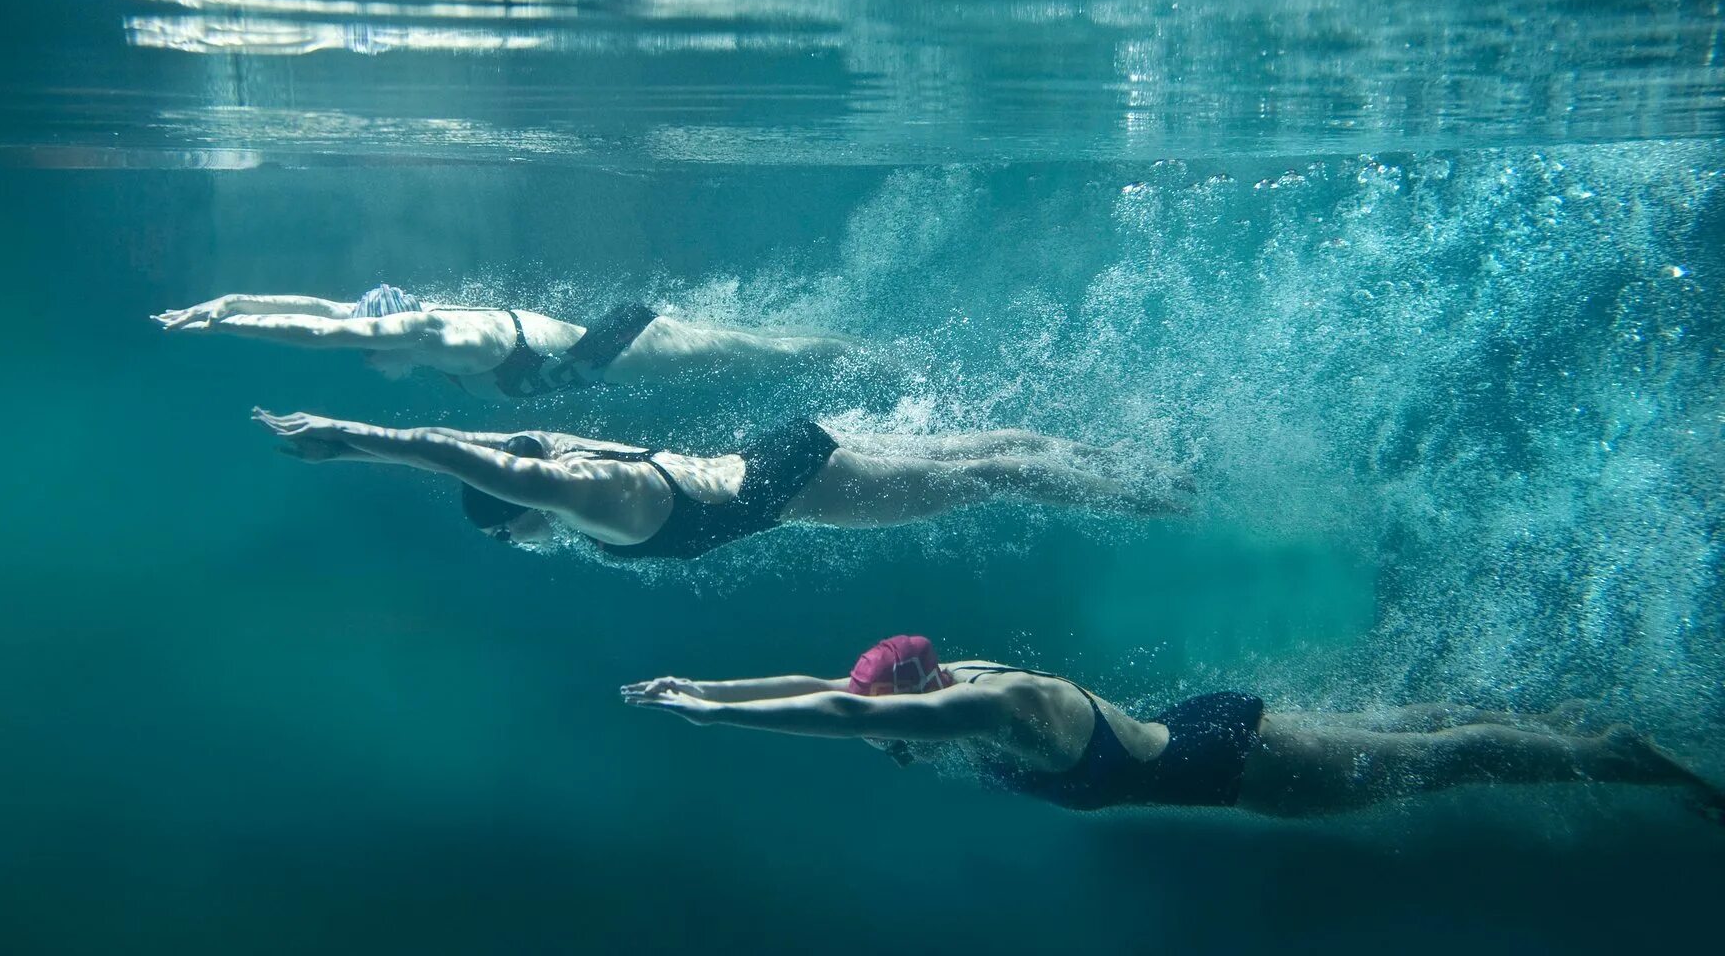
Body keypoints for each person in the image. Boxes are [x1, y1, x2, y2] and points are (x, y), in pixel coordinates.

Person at [622, 636, 1725, 818]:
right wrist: (711, 692)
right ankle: (1569, 730)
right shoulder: (946, 678)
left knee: (1444, 766)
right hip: (1200, 731)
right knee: (1416, 731)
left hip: (1226, 762)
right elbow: (838, 690)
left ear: (920, 698)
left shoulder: (993, 705)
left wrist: (717, 722)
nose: (892, 737)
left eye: (890, 727)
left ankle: (1613, 758)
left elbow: (835, 708)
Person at [252, 410, 1194, 559]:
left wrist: (351, 441)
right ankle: (1124, 460)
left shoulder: (580, 501)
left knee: (993, 476)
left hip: (796, 486)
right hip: (778, 452)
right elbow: (503, 439)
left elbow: (469, 455)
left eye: (509, 531)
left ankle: (1160, 495)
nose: (520, 544)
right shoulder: (578, 460)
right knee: (975, 450)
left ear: (524, 509)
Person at [155, 284, 849, 398]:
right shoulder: (415, 334)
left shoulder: (434, 334)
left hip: (629, 352)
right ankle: (839, 349)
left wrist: (229, 326)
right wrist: (227, 300)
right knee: (746, 354)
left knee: (756, 355)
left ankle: (851, 352)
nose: (364, 358)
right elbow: (320, 310)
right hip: (600, 361)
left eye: (367, 344)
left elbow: (319, 332)